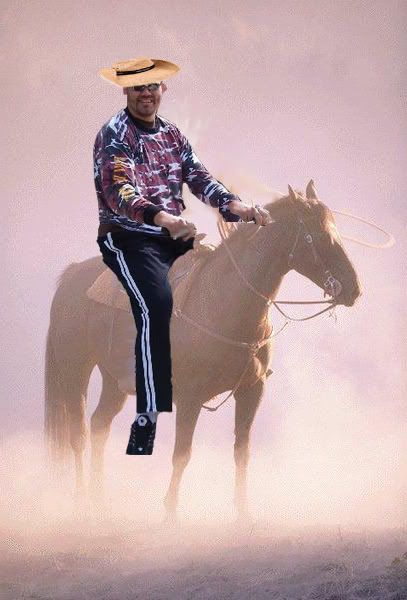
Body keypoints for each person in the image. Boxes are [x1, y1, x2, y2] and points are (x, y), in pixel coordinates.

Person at [94, 56, 271, 455]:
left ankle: (244, 361)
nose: (146, 93)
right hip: (129, 236)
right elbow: (119, 192)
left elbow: (199, 177)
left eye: (152, 86)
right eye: (138, 87)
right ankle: (141, 390)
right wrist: (163, 218)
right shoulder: (114, 134)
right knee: (156, 298)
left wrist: (236, 206)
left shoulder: (172, 135)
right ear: (126, 91)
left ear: (162, 89)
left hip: (174, 240)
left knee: (223, 276)